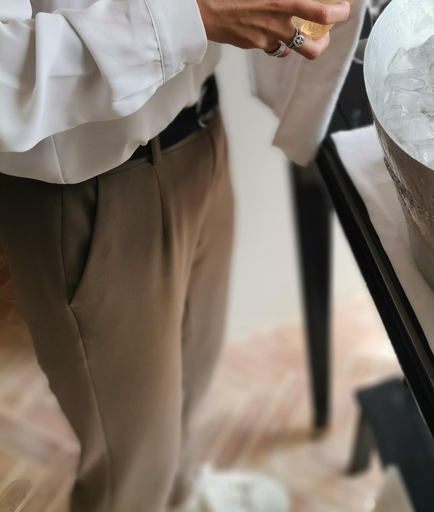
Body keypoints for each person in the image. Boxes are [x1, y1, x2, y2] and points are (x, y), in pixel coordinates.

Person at [0, 1, 352, 511]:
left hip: (200, 124)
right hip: (92, 187)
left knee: (194, 376)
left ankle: (184, 496)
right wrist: (190, 16)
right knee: (131, 471)